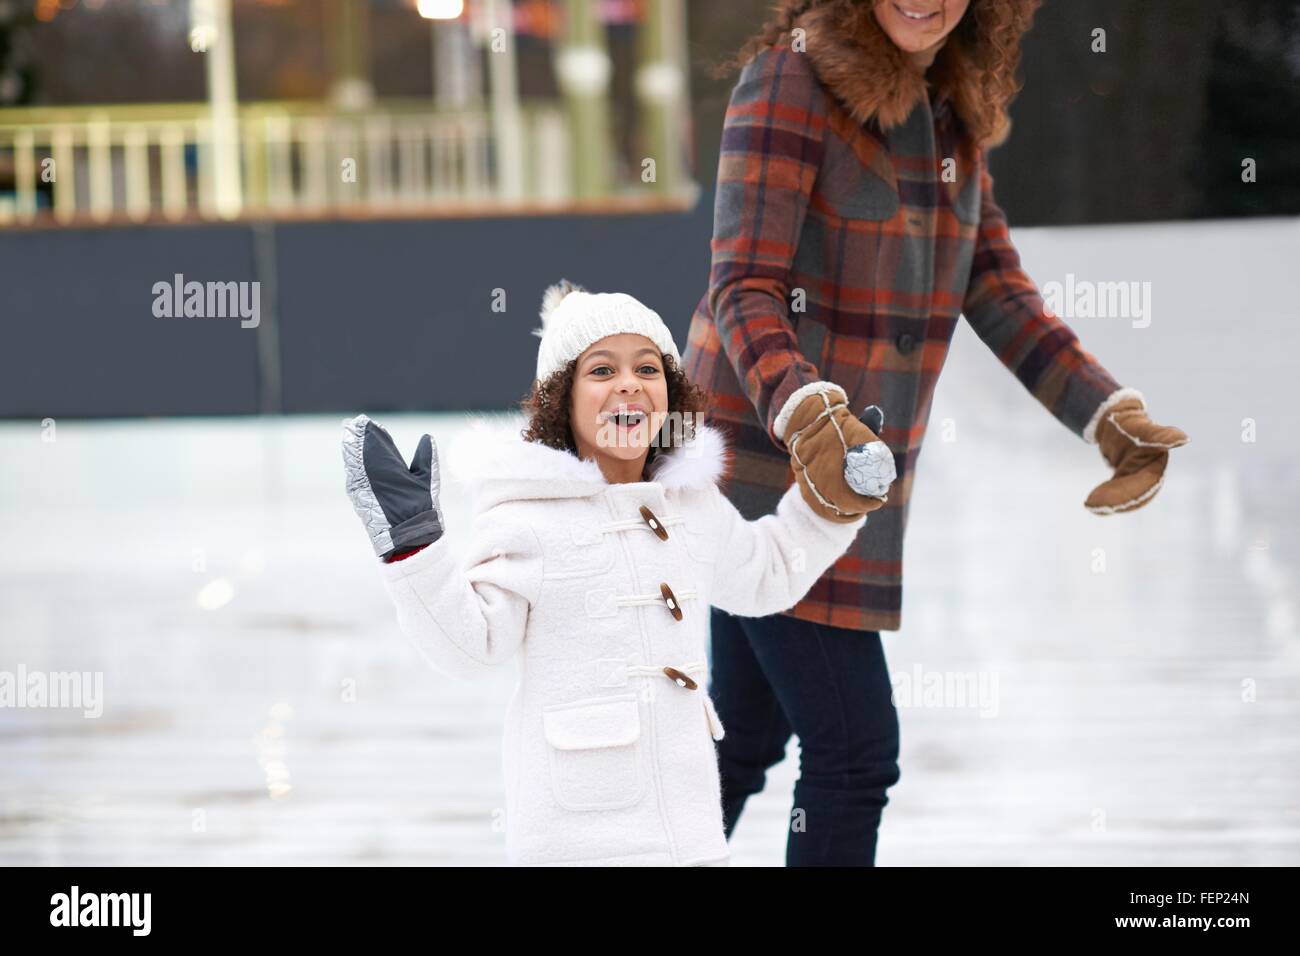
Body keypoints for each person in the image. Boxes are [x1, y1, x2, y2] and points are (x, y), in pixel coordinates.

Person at [682, 0, 1190, 865]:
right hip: (768, 477)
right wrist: (810, 414)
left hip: (850, 480)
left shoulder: (949, 111)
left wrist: (1107, 416)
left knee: (743, 743)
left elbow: (995, 288)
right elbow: (744, 285)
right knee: (854, 752)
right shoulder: (791, 81)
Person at [340, 279, 895, 866]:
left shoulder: (689, 505)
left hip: (690, 835)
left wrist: (831, 504)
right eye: (601, 371)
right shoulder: (527, 516)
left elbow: (767, 574)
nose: (629, 383)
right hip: (578, 840)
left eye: (648, 369)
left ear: (670, 394)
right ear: (563, 398)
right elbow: (472, 648)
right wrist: (414, 547)